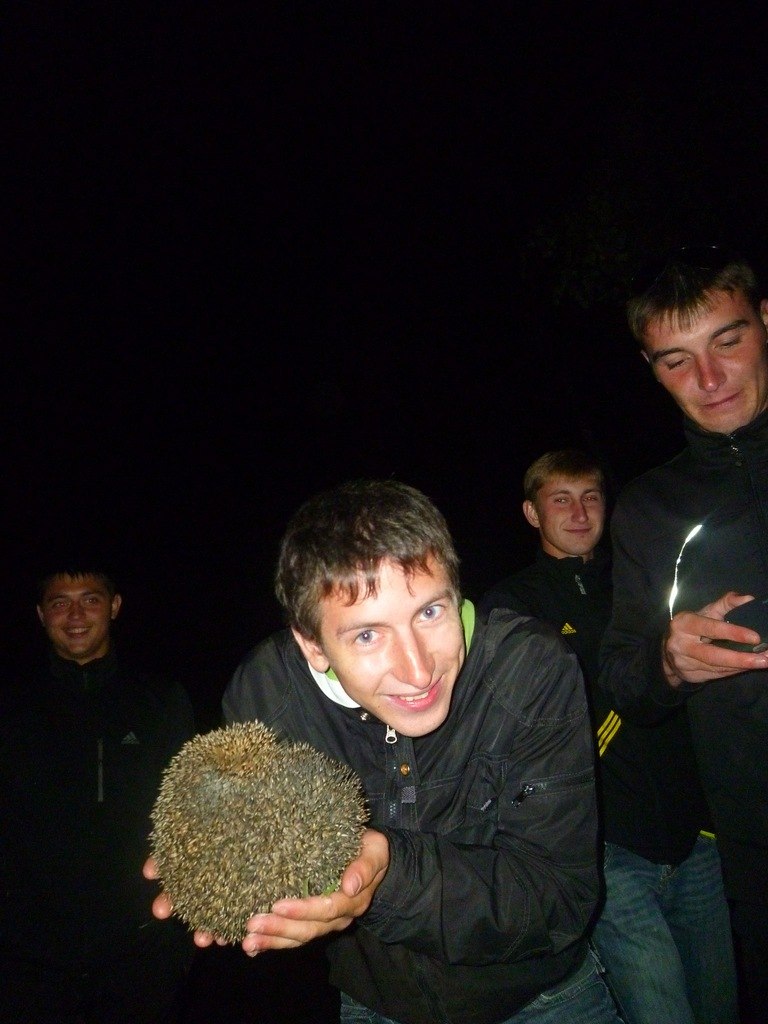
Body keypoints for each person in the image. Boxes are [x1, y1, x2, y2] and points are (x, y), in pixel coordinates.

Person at [147, 478, 623, 1024]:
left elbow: (560, 898)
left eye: (430, 613)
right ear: (311, 644)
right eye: (367, 636)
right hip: (378, 1005)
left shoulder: (531, 669)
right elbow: (266, 846)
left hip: (543, 999)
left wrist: (387, 876)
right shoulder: (268, 695)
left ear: (457, 592)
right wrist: (225, 861)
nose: (418, 670)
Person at [479, 449, 737, 1024]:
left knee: (721, 1005)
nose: (579, 513)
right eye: (561, 499)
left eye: (590, 497)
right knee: (661, 1009)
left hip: (693, 837)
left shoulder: (643, 586)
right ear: (532, 513)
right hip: (606, 851)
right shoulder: (512, 606)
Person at [598, 244, 768, 1024]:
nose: (709, 377)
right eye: (677, 360)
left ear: (764, 322)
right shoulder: (648, 508)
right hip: (753, 844)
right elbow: (623, 681)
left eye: (728, 341)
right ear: (651, 368)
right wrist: (667, 664)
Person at [0, 562, 196, 1023]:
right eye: (59, 603)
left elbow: (195, 814)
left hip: (142, 948)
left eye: (90, 600)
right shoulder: (11, 705)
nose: (75, 615)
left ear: (114, 606)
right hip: (26, 956)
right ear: (41, 614)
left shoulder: (161, 699)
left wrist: (178, 941)